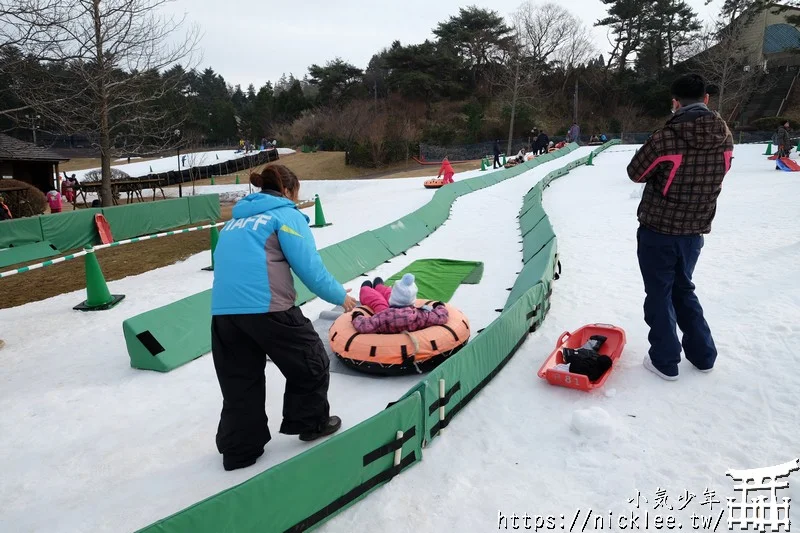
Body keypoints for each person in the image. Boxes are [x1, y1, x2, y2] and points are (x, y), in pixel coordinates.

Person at [210, 164, 358, 471]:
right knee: (311, 362)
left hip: (224, 315)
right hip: (269, 310)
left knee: (241, 381)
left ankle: (239, 450)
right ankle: (311, 423)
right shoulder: (285, 216)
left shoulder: (232, 224)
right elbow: (310, 269)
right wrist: (341, 297)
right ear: (289, 191)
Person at [626, 73, 733, 381]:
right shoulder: (724, 135)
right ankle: (703, 355)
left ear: (675, 102)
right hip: (694, 230)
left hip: (658, 230)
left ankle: (665, 359)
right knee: (683, 287)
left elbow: (636, 172)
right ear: (707, 99)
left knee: (659, 293)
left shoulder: (666, 137)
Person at [352, 275, 449, 335]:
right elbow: (441, 316)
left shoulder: (383, 316)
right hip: (407, 313)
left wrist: (357, 316)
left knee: (378, 302)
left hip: (388, 314)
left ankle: (367, 288)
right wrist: (439, 306)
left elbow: (363, 325)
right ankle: (379, 287)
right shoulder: (420, 316)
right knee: (390, 294)